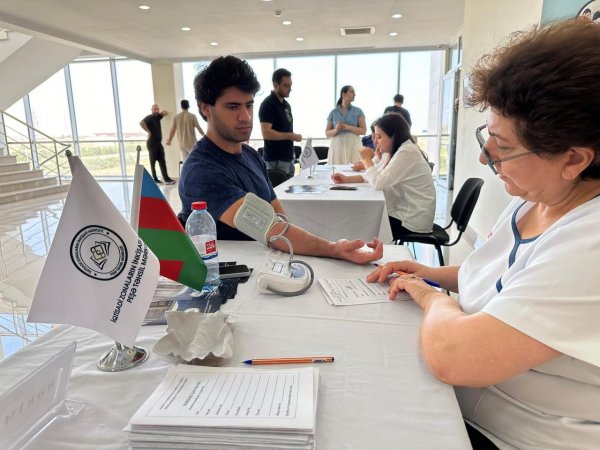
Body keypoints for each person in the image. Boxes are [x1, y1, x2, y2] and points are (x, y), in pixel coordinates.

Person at [367, 20, 600, 449]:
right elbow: (500, 276)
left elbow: (453, 356)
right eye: (488, 136)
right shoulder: (538, 195)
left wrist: (429, 294)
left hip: (512, 435)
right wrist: (431, 272)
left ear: (574, 159)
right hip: (463, 407)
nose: (484, 155)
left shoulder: (591, 244)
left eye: (503, 147)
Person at [178, 55, 383, 264]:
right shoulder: (201, 170)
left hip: (269, 264)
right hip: (231, 281)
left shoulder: (251, 156)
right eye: (233, 107)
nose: (246, 117)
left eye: (248, 105)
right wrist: (333, 248)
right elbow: (271, 228)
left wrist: (325, 247)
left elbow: (279, 217)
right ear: (205, 108)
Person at [332, 114, 435, 238]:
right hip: (405, 213)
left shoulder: (407, 152)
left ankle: (364, 254)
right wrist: (347, 179)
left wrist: (366, 160)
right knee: (358, 217)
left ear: (394, 136)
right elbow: (374, 174)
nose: (375, 141)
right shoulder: (393, 150)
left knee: (357, 221)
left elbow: (378, 182)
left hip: (412, 220)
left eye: (379, 137)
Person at [259, 68, 302, 178]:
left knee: (288, 193)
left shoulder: (286, 105)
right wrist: (290, 136)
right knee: (277, 193)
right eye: (286, 86)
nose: (290, 89)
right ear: (276, 85)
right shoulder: (267, 104)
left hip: (288, 157)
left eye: (290, 85)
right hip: (275, 160)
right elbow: (266, 133)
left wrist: (292, 136)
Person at [326, 85, 366, 164]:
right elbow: (327, 133)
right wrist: (336, 129)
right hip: (337, 146)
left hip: (353, 145)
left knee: (353, 169)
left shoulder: (358, 111)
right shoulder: (333, 112)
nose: (354, 94)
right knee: (336, 170)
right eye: (352, 92)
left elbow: (363, 131)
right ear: (343, 94)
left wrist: (348, 127)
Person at [139, 104, 175, 184]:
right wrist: (148, 131)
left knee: (162, 161)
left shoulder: (158, 117)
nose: (156, 110)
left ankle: (166, 179)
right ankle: (155, 179)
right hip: (151, 143)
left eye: (157, 109)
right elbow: (141, 123)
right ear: (151, 109)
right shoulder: (149, 118)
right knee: (153, 162)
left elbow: (165, 113)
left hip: (159, 143)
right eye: (154, 109)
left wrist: (162, 112)